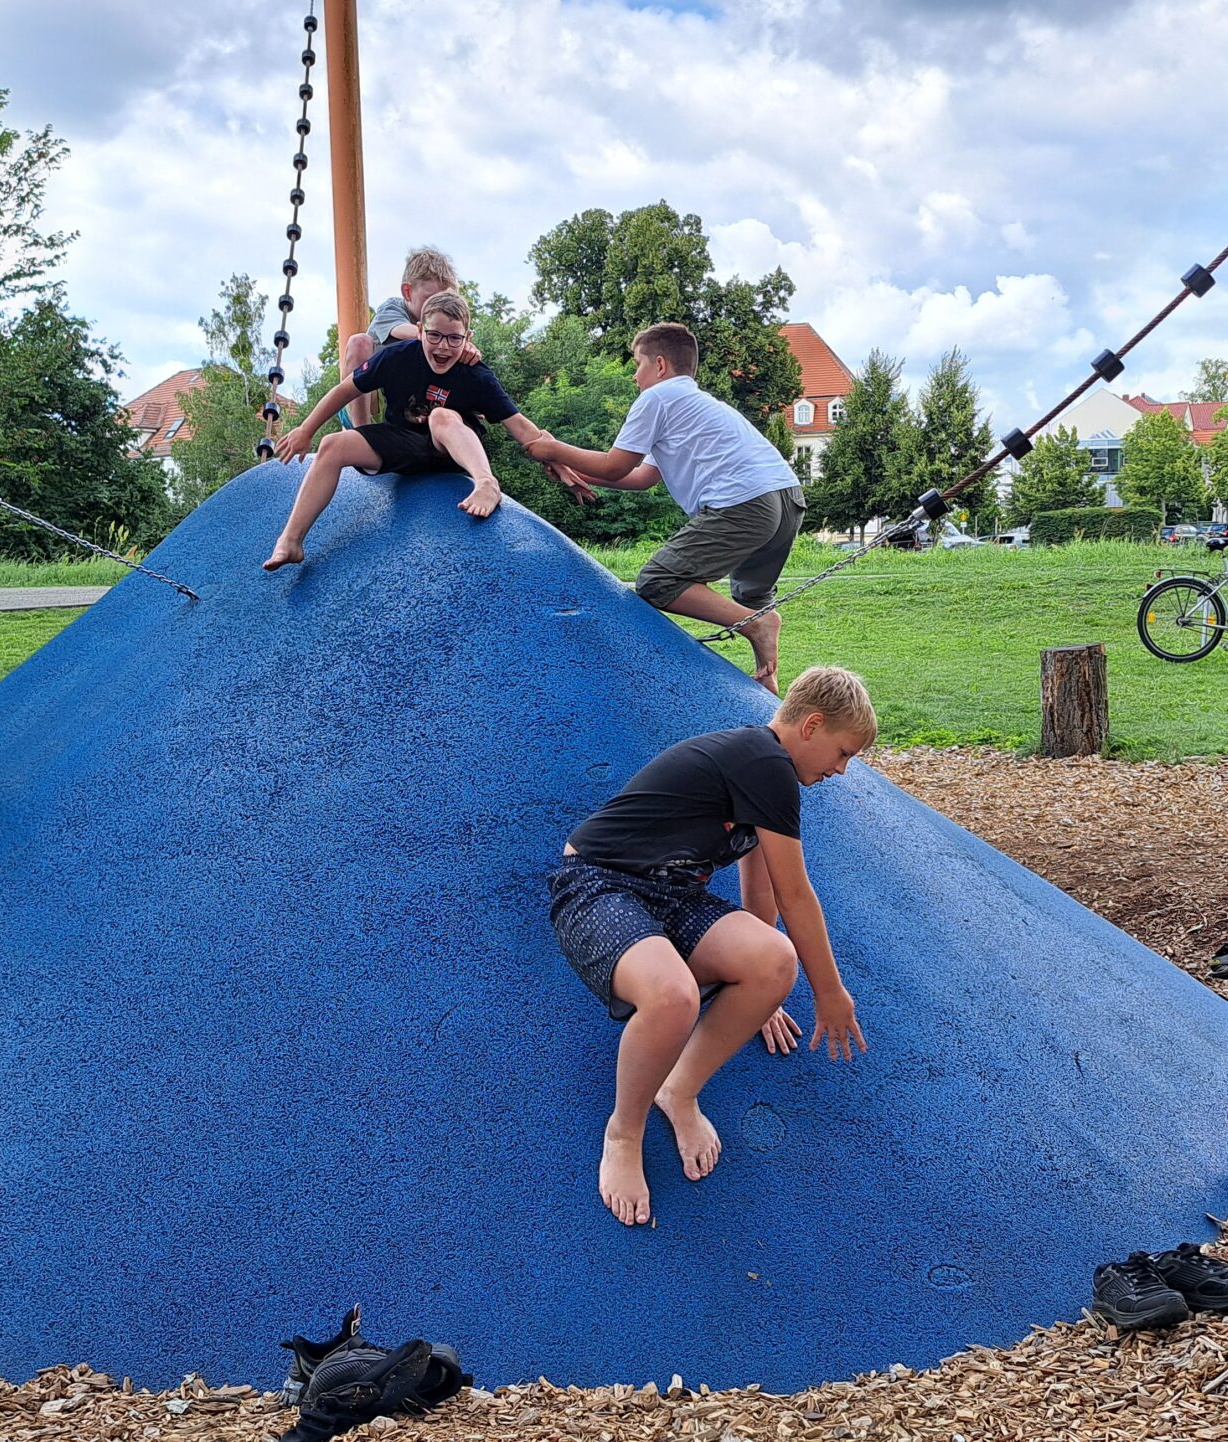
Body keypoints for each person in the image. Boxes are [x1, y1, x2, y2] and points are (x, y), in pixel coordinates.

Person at [548, 665, 876, 1227]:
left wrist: (762, 994)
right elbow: (797, 895)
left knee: (774, 960)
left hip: (672, 895)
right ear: (812, 726)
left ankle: (679, 1090)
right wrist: (829, 993)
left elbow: (763, 890)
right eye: (843, 753)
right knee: (672, 996)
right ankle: (623, 1132)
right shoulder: (764, 762)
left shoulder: (764, 774)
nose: (841, 770)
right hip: (600, 886)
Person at [523, 322, 804, 691]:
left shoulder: (657, 398)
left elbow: (615, 465)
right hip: (786, 498)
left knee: (658, 581)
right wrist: (577, 472)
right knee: (751, 595)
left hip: (744, 502)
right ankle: (767, 681)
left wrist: (553, 449)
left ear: (659, 365)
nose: (634, 377)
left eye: (637, 365)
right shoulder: (697, 405)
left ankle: (757, 625)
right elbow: (642, 476)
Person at [265, 290, 556, 570]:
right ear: (419, 331)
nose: (443, 347)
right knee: (332, 444)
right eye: (434, 335)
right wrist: (306, 430)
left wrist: (556, 458)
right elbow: (345, 390)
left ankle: (486, 484)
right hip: (405, 444)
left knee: (440, 416)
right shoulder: (397, 357)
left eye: (454, 338)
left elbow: (522, 429)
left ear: (467, 338)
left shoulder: (476, 375)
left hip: (450, 449)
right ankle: (291, 540)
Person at [340, 246, 469, 428]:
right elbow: (404, 331)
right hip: (370, 394)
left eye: (445, 302)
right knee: (359, 342)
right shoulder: (392, 309)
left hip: (407, 403)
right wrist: (451, 340)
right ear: (408, 292)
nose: (438, 308)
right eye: (431, 300)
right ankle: (361, 431)